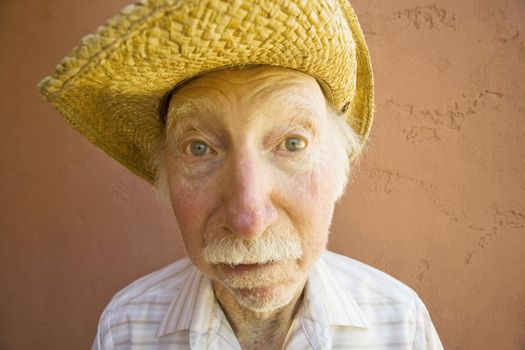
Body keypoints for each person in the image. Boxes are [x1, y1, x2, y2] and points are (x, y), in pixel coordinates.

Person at [38, 0, 444, 349]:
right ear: (166, 178)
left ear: (339, 169)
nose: (248, 222)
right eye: (199, 148)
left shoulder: (400, 323)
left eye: (292, 143)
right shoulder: (126, 328)